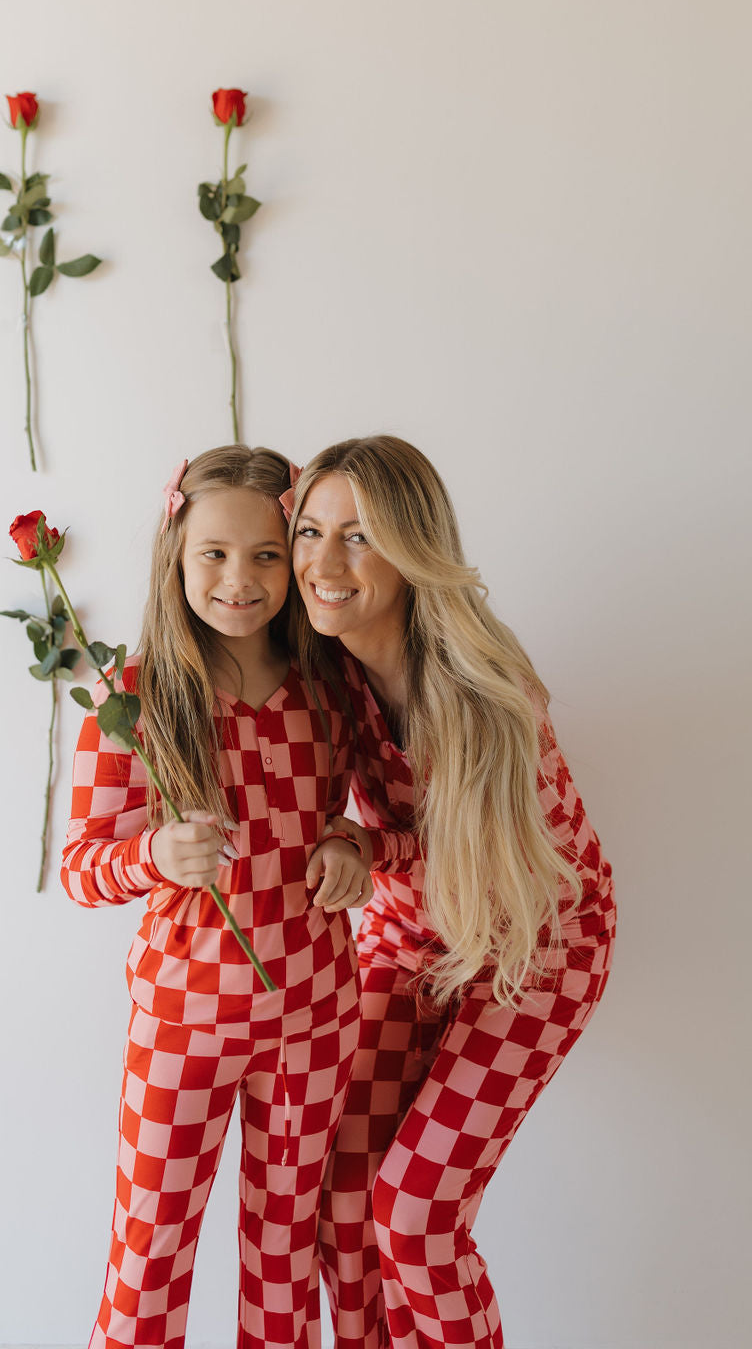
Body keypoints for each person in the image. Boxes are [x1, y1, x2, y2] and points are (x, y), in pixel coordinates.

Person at [62, 444, 411, 1349]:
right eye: (214, 554)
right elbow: (81, 867)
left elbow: (396, 824)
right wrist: (152, 855)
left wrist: (356, 850)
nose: (240, 580)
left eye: (265, 555)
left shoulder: (332, 686)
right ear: (176, 555)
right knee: (149, 1253)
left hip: (315, 1015)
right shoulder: (133, 697)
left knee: (284, 1255)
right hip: (183, 1020)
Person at [287, 435, 616, 1349]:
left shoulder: (484, 691)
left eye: (359, 536)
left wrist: (369, 845)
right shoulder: (324, 665)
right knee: (339, 1197)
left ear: (411, 550)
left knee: (414, 1216)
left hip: (537, 943)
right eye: (310, 531)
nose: (324, 563)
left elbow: (487, 872)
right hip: (408, 929)